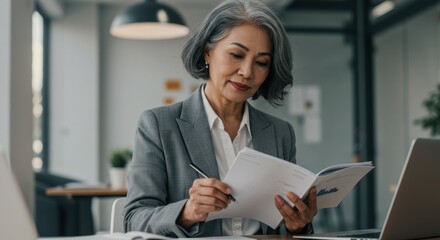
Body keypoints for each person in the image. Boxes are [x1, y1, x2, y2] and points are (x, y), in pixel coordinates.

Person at [123, 0, 317, 237]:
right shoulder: (158, 125)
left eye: (261, 62)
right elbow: (134, 220)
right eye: (236, 55)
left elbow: (285, 228)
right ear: (207, 52)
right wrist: (188, 211)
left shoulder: (281, 132)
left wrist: (298, 225)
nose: (247, 72)